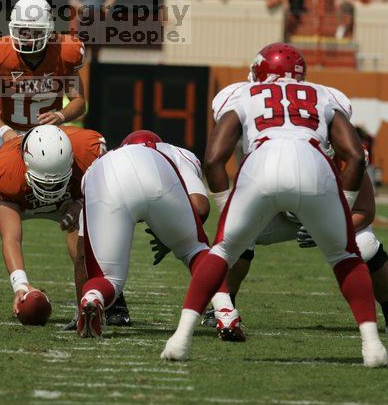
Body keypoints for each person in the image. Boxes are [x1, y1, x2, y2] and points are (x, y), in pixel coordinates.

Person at [160, 42, 387, 367]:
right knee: (345, 255)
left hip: (262, 165)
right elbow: (354, 155)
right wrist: (342, 206)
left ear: (260, 73)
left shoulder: (241, 94)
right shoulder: (324, 94)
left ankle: (181, 338)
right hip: (313, 167)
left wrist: (226, 208)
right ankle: (372, 346)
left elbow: (213, 158)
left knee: (223, 250)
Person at [0, 0, 134, 327]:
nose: (28, 39)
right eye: (22, 31)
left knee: (92, 220)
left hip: (56, 143)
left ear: (49, 31)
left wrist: (60, 113)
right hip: (12, 145)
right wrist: (3, 131)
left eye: (34, 31)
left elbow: (79, 102)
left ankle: (108, 296)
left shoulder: (66, 52)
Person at [203, 145, 388, 333]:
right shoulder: (269, 156)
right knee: (237, 233)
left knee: (366, 247)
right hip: (283, 217)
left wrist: (334, 229)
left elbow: (365, 211)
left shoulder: (349, 157)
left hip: (336, 220)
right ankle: (225, 305)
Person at [78, 131, 237, 339]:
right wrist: (171, 236)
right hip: (157, 172)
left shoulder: (95, 166)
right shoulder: (178, 153)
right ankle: (225, 311)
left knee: (108, 278)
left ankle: (93, 297)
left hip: (105, 178)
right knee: (196, 250)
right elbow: (200, 207)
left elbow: (82, 252)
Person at [0, 125, 102, 318]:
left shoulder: (89, 150)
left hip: (71, 196)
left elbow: (104, 194)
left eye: (57, 180)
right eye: (45, 181)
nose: (51, 186)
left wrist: (80, 203)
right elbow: (11, 237)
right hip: (20, 196)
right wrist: (20, 284)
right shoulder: (4, 167)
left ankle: (111, 296)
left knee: (93, 222)